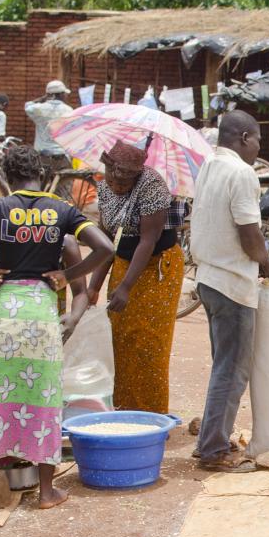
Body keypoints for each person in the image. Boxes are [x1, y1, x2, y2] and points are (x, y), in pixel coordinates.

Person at [0, 145, 113, 509]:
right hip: (39, 312)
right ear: (41, 172)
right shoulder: (62, 211)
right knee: (41, 398)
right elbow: (105, 247)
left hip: (4, 309)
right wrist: (66, 275)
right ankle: (47, 491)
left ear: (6, 175)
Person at [190, 111, 269, 473]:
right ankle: (213, 449)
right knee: (232, 369)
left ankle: (210, 439)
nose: (259, 147)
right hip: (231, 283)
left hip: (208, 278)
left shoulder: (210, 164)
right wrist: (268, 262)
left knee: (223, 366)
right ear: (244, 137)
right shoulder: (242, 173)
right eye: (258, 139)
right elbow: (248, 233)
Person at [86, 141, 185, 413]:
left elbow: (148, 239)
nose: (117, 185)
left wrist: (126, 287)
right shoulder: (105, 188)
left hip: (158, 268)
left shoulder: (152, 184)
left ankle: (150, 415)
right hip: (124, 261)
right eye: (113, 177)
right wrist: (93, 287)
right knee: (119, 337)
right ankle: (123, 410)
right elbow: (105, 238)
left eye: (124, 180)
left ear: (136, 175)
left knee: (149, 343)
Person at [25, 80, 74, 188]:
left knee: (39, 187)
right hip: (61, 156)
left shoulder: (39, 109)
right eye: (64, 93)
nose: (65, 96)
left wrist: (43, 98)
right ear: (60, 94)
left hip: (43, 157)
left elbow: (27, 106)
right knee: (63, 187)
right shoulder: (68, 110)